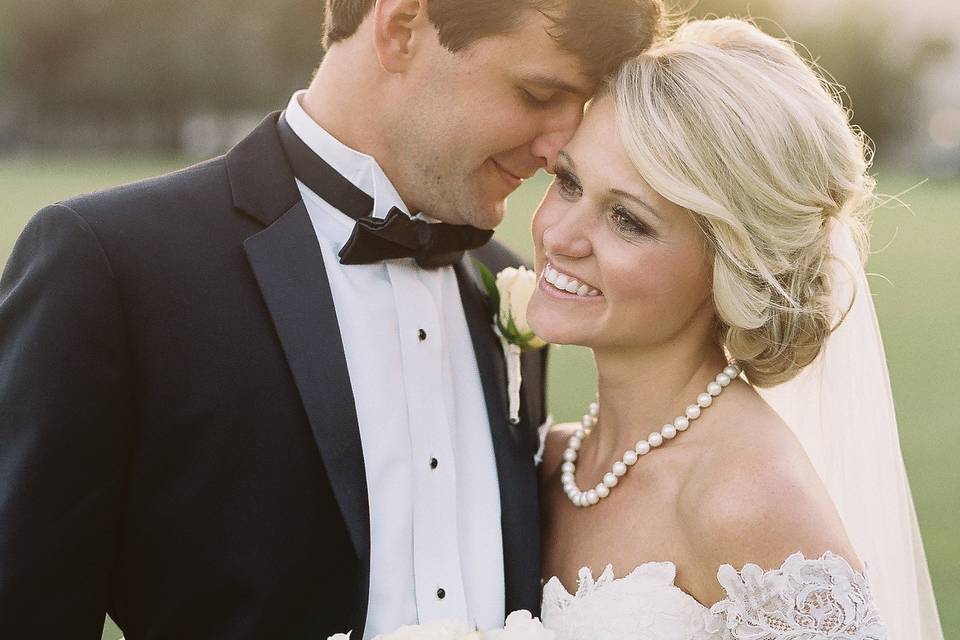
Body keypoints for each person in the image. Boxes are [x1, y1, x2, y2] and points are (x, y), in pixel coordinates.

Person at [0, 1, 663, 638]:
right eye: (539, 94)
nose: (558, 148)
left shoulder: (514, 288)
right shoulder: (112, 266)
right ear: (403, 26)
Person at [531, 18, 944, 639]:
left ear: (730, 265)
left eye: (627, 219)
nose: (559, 237)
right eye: (568, 182)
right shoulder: (550, 460)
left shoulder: (749, 500)